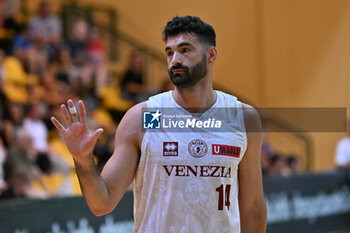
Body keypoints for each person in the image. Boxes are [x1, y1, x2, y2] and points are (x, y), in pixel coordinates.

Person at [51, 16, 267, 233]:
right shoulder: (144, 117)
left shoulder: (243, 118)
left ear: (211, 55)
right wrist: (83, 160)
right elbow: (101, 203)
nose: (175, 60)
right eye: (170, 52)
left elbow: (253, 209)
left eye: (185, 50)